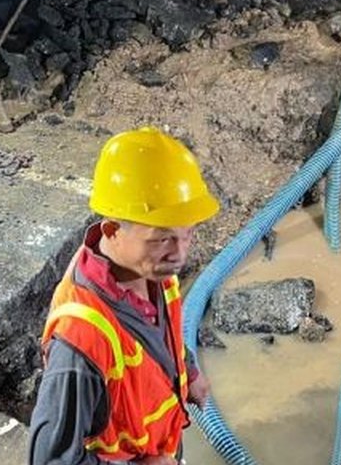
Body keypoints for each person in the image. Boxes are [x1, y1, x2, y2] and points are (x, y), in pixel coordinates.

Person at [29, 127, 218, 465]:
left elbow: (164, 340)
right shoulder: (81, 338)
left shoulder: (154, 271)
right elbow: (50, 460)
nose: (179, 254)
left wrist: (188, 371)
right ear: (113, 230)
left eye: (187, 234)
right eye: (162, 239)